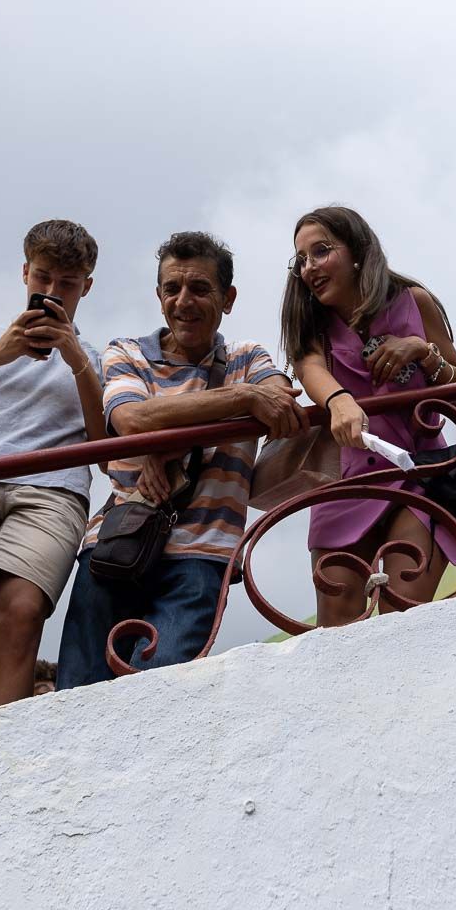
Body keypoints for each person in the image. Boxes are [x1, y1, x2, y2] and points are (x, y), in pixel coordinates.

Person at [57, 231, 307, 688]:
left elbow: (281, 401)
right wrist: (241, 398)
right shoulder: (126, 350)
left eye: (199, 288)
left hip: (204, 554)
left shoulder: (247, 356)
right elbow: (131, 419)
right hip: (115, 547)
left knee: (160, 691)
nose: (183, 301)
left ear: (228, 299)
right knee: (77, 690)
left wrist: (164, 442)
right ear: (158, 297)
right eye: (172, 289)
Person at [280, 205, 456, 626]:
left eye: (321, 251)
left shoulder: (413, 303)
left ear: (359, 251)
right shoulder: (310, 323)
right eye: (302, 259)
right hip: (345, 486)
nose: (310, 267)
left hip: (418, 476)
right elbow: (311, 370)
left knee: (401, 618)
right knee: (338, 631)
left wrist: (422, 351)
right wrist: (339, 400)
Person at [0, 219, 103, 712]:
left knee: (21, 614)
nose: (51, 292)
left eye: (66, 283)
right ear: (25, 272)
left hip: (53, 494)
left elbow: (107, 448)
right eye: (43, 278)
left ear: (85, 286)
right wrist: (2, 351)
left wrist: (74, 358)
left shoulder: (100, 357)